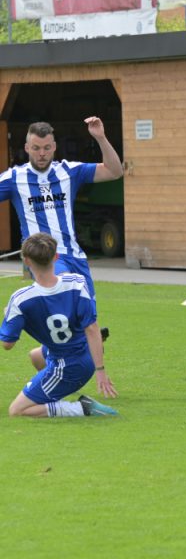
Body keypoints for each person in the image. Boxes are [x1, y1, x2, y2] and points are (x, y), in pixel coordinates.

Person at [0, 118, 124, 374]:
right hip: (45, 258)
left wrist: (100, 137)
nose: (41, 153)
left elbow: (114, 171)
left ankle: (43, 357)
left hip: (76, 256)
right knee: (74, 313)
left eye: (46, 147)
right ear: (26, 147)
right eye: (36, 148)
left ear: (54, 147)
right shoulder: (14, 177)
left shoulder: (69, 171)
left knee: (84, 323)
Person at [0, 232, 118, 417]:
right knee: (36, 356)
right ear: (56, 257)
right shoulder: (77, 283)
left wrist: (9, 315)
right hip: (86, 352)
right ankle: (55, 391)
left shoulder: (21, 300)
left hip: (68, 365)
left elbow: (7, 344)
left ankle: (81, 408)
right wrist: (100, 370)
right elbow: (92, 328)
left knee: (17, 410)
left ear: (27, 261)